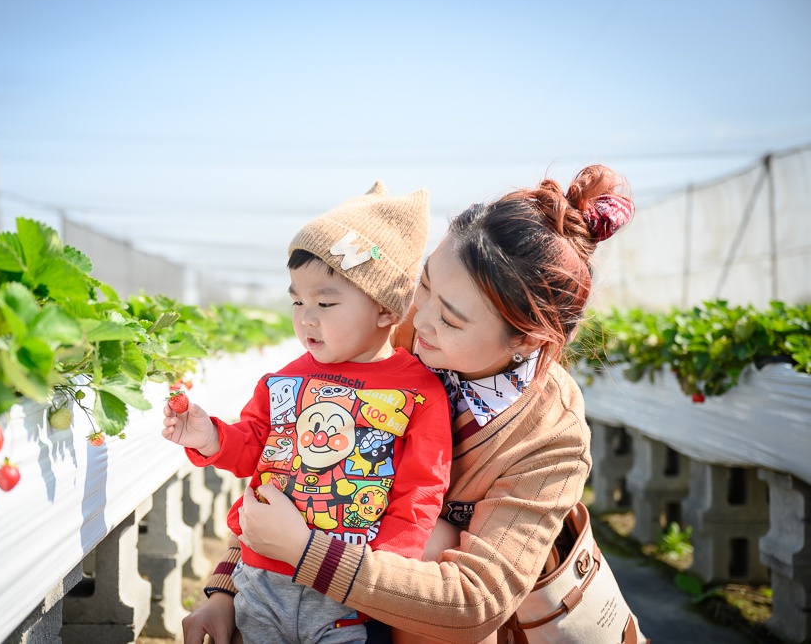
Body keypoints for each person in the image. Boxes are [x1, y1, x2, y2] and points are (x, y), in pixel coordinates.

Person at [182, 164, 638, 644]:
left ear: (524, 340)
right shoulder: (383, 336)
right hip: (333, 597)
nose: (421, 320)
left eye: (453, 319)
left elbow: (474, 600)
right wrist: (225, 590)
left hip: (449, 628)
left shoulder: (552, 438)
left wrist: (306, 551)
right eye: (425, 286)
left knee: (434, 542)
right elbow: (296, 467)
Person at [163, 182, 453, 644]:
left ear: (385, 308)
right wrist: (210, 439)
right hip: (262, 581)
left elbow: (420, 491)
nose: (306, 318)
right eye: (297, 300)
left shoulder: (419, 391)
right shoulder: (285, 380)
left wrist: (386, 573)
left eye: (326, 302)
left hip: (345, 586)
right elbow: (253, 445)